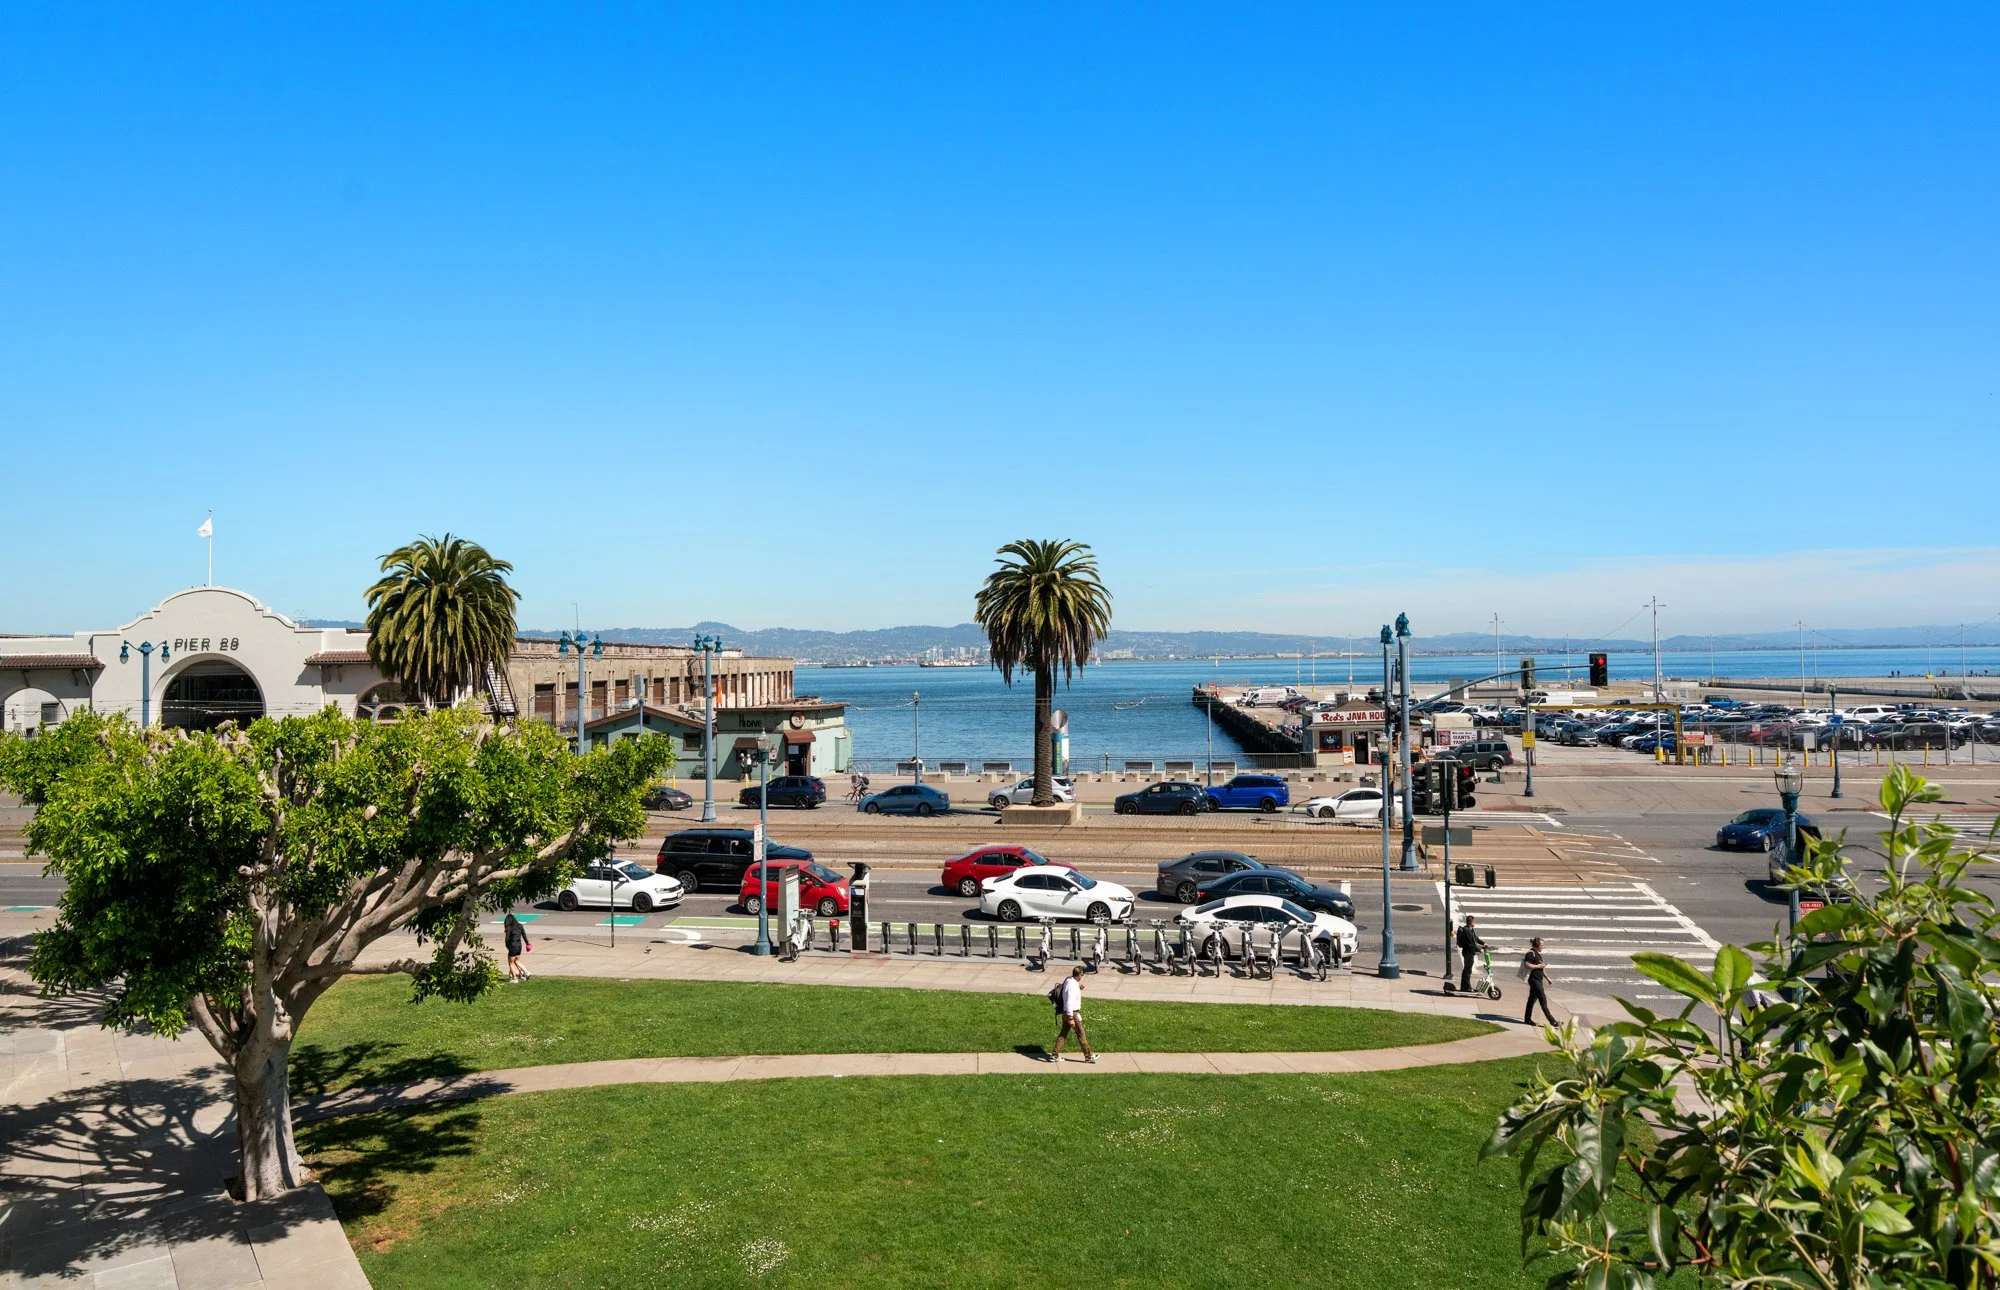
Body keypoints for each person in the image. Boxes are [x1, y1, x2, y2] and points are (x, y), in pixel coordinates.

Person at [1049, 966, 1097, 1063]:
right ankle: (1088, 1056)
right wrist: (1071, 1017)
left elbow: (1068, 994)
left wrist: (1079, 989)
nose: (1082, 977)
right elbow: (1069, 1001)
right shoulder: (1072, 985)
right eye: (1082, 975)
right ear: (1079, 975)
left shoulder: (1069, 981)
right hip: (1072, 1013)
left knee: (1063, 1034)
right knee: (1081, 1034)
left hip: (1066, 1012)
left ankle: (1054, 1055)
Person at [1521, 936, 1557, 1025]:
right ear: (1537, 945)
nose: (1543, 947)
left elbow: (1541, 968)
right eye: (1542, 945)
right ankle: (1553, 1021)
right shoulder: (1531, 953)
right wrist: (1538, 966)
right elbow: (1527, 964)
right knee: (1543, 1000)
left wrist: (1547, 978)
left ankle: (1527, 1019)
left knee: (1531, 1000)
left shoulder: (1538, 954)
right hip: (1534, 981)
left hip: (1538, 980)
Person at [1455, 915, 1485, 993]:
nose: (1475, 922)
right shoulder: (1467, 931)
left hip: (1469, 952)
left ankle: (1464, 987)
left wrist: (1483, 943)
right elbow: (1471, 944)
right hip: (1468, 953)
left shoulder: (1470, 929)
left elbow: (1476, 938)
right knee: (1467, 971)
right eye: (1474, 921)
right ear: (1471, 922)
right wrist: (1480, 950)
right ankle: (1467, 987)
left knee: (1467, 970)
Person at [504, 913, 532, 982]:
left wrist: (507, 946)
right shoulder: (520, 925)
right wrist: (527, 943)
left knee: (511, 962)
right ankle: (526, 972)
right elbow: (524, 935)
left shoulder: (509, 928)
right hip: (519, 946)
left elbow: (507, 939)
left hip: (513, 946)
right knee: (517, 961)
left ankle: (514, 978)